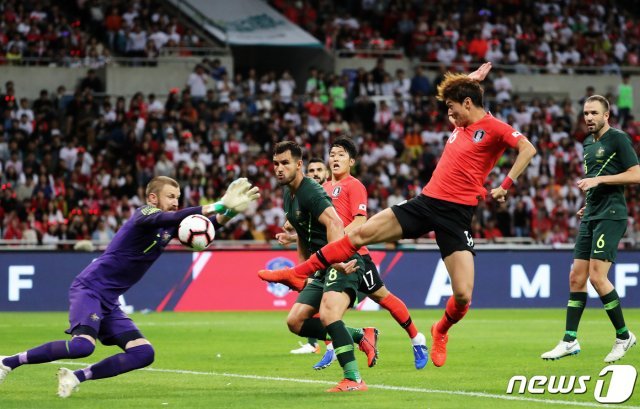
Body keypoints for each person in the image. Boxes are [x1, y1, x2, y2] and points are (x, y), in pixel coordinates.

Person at [259, 62, 538, 367]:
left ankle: (440, 330)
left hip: (456, 216)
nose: (449, 114)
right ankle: (298, 272)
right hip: (425, 203)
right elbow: (464, 97)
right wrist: (469, 80)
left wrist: (505, 185)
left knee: (462, 295)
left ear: (468, 104)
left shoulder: (495, 128)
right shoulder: (461, 123)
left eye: (452, 107)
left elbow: (527, 149)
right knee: (358, 234)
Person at [0, 176, 260, 397]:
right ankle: (7, 363)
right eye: (170, 196)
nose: (175, 201)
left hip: (110, 300)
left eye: (177, 197)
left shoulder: (167, 228)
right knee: (83, 346)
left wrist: (230, 212)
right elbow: (182, 216)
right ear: (152, 199)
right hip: (90, 288)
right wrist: (217, 204)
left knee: (144, 353)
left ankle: (76, 377)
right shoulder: (143, 215)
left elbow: (204, 230)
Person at [279, 141, 428, 370]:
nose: (335, 158)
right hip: (332, 259)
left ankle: (416, 339)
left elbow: (360, 221)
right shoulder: (321, 189)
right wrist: (295, 238)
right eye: (332, 154)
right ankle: (345, 343)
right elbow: (316, 229)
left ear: (351, 162)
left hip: (355, 257)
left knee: (382, 298)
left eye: (341, 154)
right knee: (323, 310)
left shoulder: (354, 185)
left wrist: (338, 244)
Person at [271, 141, 376, 392]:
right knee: (295, 322)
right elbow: (300, 235)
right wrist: (301, 271)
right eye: (275, 164)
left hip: (343, 261)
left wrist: (337, 261)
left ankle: (353, 379)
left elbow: (335, 223)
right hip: (321, 264)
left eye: (285, 163)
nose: (279, 169)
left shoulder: (311, 191)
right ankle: (361, 335)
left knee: (329, 315)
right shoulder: (289, 194)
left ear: (299, 165)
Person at [541, 95, 639, 362]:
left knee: (597, 277)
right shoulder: (587, 143)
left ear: (606, 115)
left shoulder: (618, 138)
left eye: (594, 113)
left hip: (612, 214)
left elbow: (636, 173)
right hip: (593, 213)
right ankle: (570, 340)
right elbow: (596, 183)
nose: (589, 118)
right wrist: (589, 203)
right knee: (576, 277)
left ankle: (623, 336)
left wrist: (599, 181)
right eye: (586, 113)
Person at [287, 157, 329, 355]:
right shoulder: (301, 195)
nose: (315, 173)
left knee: (327, 311)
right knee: (305, 313)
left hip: (336, 259)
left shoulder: (327, 195)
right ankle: (321, 344)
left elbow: (336, 226)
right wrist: (293, 236)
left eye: (319, 169)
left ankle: (416, 337)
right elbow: (305, 228)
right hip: (316, 260)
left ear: (327, 174)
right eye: (311, 170)